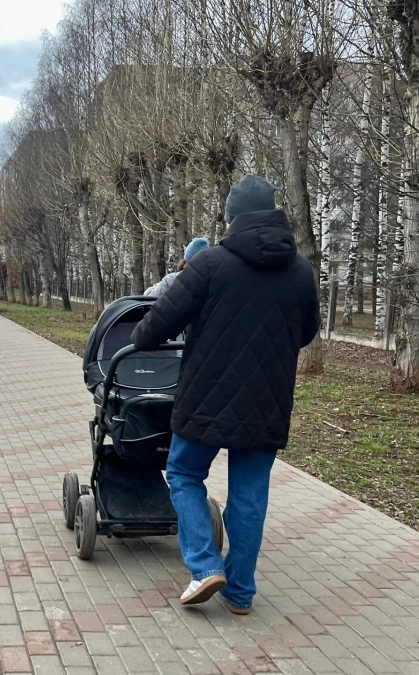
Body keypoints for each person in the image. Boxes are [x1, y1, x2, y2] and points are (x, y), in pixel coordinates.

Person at [130, 175, 320, 613]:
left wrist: (141, 338)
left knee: (183, 474)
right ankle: (239, 593)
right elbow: (306, 331)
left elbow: (161, 320)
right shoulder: (301, 271)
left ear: (232, 218)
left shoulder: (210, 263)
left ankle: (203, 565)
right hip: (268, 401)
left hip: (207, 398)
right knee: (249, 497)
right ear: (274, 216)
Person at [145, 238, 209, 298]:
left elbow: (148, 298)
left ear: (186, 259)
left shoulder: (171, 280)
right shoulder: (213, 283)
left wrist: (153, 287)